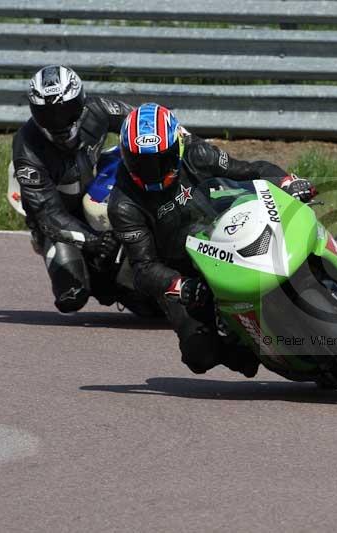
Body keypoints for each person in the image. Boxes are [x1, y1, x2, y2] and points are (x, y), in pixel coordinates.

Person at [108, 103, 316, 376]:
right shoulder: (123, 204)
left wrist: (287, 181)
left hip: (226, 228)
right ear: (126, 157)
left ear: (176, 147)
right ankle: (249, 348)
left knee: (292, 217)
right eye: (142, 163)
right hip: (182, 266)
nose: (153, 170)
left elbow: (249, 170)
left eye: (160, 159)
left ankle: (322, 266)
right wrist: (180, 286)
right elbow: (143, 267)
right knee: (199, 355)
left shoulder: (198, 153)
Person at [12, 65, 132, 313]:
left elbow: (144, 122)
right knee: (72, 297)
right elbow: (47, 213)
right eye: (48, 115)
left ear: (81, 101)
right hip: (59, 217)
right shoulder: (27, 147)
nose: (58, 122)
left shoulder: (98, 109)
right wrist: (93, 242)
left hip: (96, 189)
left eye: (66, 112)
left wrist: (184, 143)